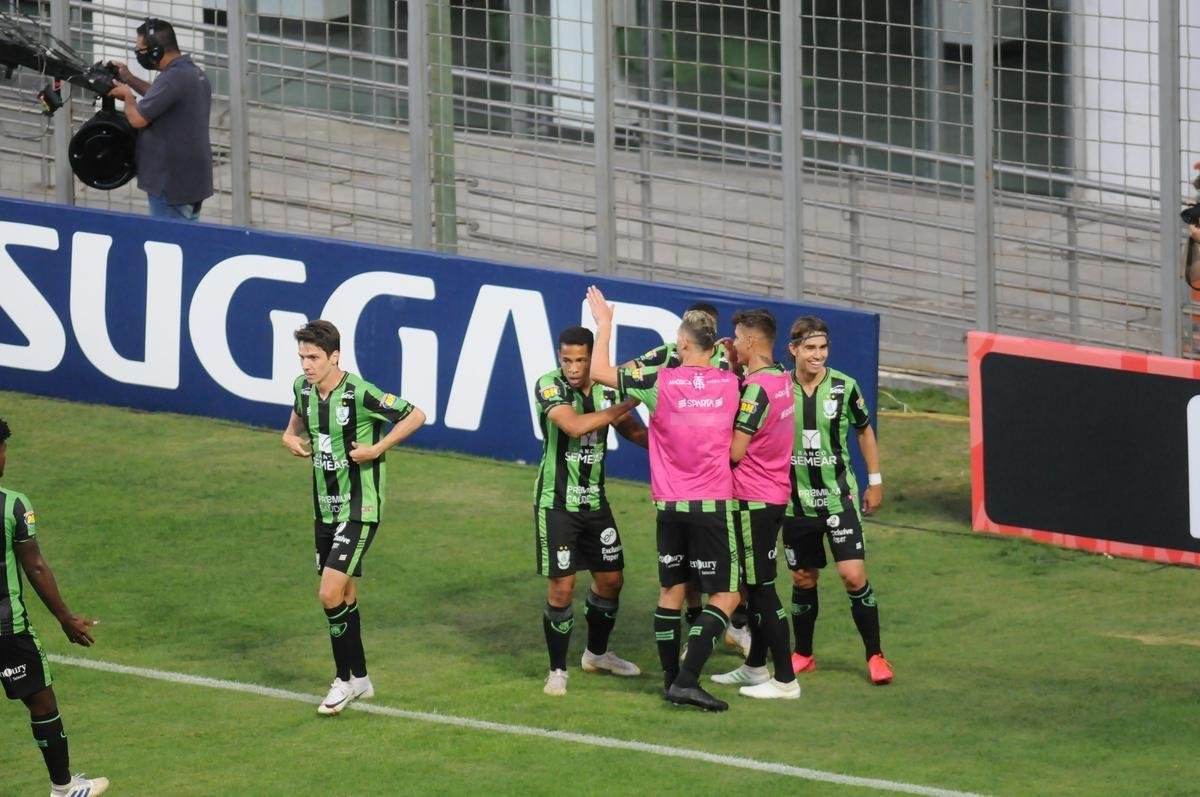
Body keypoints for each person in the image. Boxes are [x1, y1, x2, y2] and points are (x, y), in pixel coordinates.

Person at [588, 285, 742, 712]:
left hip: (669, 506)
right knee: (726, 596)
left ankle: (671, 679)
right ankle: (687, 679)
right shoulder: (731, 383)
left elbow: (600, 373)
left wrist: (605, 324)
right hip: (712, 504)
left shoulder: (660, 379)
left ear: (682, 345)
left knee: (671, 590)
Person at [281, 320, 426, 715]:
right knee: (343, 594)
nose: (307, 365)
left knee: (328, 593)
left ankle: (342, 682)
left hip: (360, 507)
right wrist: (289, 437)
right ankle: (360, 679)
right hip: (324, 508)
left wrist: (377, 448)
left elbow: (415, 415)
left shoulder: (359, 393)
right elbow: (294, 423)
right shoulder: (302, 389)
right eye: (302, 357)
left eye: (313, 357)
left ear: (334, 357)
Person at [626, 302, 751, 658]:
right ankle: (696, 639)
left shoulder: (729, 356)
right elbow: (624, 377)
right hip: (689, 486)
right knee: (689, 577)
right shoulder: (667, 357)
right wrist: (648, 435)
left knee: (734, 566)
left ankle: (738, 627)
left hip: (723, 479)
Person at [533, 326, 649, 696]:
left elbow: (632, 431)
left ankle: (596, 655)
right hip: (557, 504)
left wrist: (674, 444)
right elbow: (574, 424)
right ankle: (556, 670)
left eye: (581, 359)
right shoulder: (549, 385)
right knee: (562, 589)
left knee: (612, 581)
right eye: (566, 359)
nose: (573, 367)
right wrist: (630, 401)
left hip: (596, 502)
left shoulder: (605, 388)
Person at [780, 316, 893, 685]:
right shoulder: (778, 388)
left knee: (852, 575)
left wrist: (874, 481)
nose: (818, 355)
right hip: (795, 505)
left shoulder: (845, 387)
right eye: (810, 348)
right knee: (803, 579)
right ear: (793, 349)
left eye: (823, 348)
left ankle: (876, 656)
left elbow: (864, 430)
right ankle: (804, 653)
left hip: (837, 500)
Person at [0, 418, 109, 796]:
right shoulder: (12, 505)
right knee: (41, 700)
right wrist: (65, 619)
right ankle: (63, 790)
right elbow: (35, 565)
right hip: (7, 629)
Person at [709, 308, 799, 699]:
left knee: (762, 589)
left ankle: (785, 680)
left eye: (736, 337)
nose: (733, 343)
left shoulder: (756, 390)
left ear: (749, 340)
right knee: (755, 582)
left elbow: (735, 451)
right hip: (774, 491)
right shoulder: (781, 379)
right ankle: (754, 667)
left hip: (753, 499)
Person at [108, 18, 213, 220]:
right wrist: (128, 78)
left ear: (156, 50)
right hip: (189, 181)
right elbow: (161, 96)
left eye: (141, 50)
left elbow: (137, 119)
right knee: (185, 241)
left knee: (170, 243)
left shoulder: (172, 78)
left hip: (171, 183)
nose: (139, 54)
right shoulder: (191, 72)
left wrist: (127, 98)